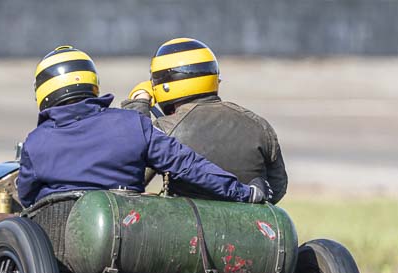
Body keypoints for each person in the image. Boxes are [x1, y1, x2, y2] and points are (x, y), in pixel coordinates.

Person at [17, 46, 270, 208]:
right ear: (93, 83)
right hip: (124, 248)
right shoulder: (132, 124)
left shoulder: (35, 143)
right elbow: (188, 165)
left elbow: (28, 200)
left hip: (56, 255)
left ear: (43, 92)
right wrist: (242, 193)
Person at [122, 38, 288, 203]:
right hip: (248, 225)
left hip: (190, 226)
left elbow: (129, 176)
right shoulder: (258, 125)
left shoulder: (165, 130)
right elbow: (277, 187)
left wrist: (138, 106)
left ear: (162, 86)